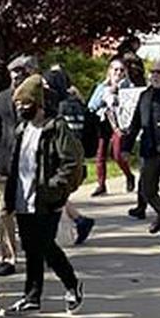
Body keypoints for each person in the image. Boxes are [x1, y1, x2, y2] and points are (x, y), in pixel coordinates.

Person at [3, 75, 85, 313]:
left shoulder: (56, 128)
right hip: (22, 198)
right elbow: (15, 164)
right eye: (17, 104)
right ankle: (31, 296)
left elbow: (72, 162)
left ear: (38, 103)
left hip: (46, 199)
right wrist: (9, 198)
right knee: (30, 248)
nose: (21, 108)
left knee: (46, 245)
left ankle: (72, 284)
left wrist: (54, 188)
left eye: (25, 103)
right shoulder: (22, 129)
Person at [120, 58, 160, 248]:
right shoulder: (146, 96)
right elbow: (134, 125)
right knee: (147, 191)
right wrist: (125, 147)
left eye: (159, 72)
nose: (154, 76)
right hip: (150, 150)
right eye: (152, 72)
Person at [0, 56, 40, 278]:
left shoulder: (38, 97)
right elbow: (0, 131)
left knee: (31, 210)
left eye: (22, 73)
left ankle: (36, 252)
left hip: (30, 161)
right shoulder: (1, 98)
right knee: (3, 211)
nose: (17, 76)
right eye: (13, 73)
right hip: (6, 161)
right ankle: (8, 257)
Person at [45, 67, 97, 246]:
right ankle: (80, 221)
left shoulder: (58, 108)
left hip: (62, 159)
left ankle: (57, 240)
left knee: (54, 198)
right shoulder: (79, 105)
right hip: (79, 158)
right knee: (59, 197)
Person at [87, 59, 137, 197]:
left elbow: (132, 105)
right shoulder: (101, 87)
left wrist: (118, 94)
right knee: (100, 154)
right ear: (109, 71)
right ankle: (101, 185)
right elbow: (92, 105)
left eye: (121, 70)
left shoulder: (129, 87)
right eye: (115, 69)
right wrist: (105, 96)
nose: (118, 73)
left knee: (118, 154)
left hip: (119, 124)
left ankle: (129, 175)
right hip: (104, 122)